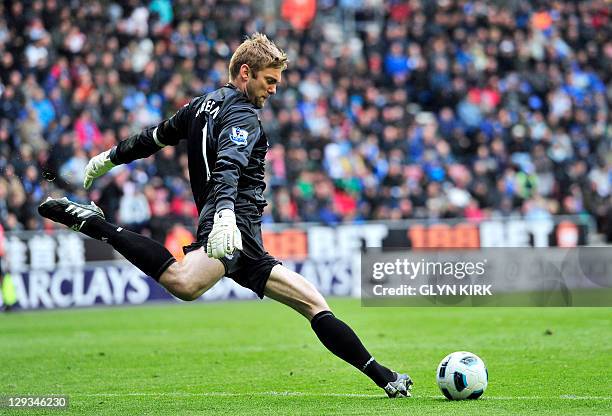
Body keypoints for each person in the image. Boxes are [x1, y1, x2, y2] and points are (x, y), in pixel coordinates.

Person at [38, 33, 412, 397]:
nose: (274, 90)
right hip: (233, 225)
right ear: (245, 73)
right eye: (269, 81)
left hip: (240, 231)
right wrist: (226, 215)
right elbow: (229, 165)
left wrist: (108, 158)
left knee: (313, 303)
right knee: (185, 284)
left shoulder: (199, 106)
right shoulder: (244, 115)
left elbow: (153, 138)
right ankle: (95, 223)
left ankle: (386, 378)